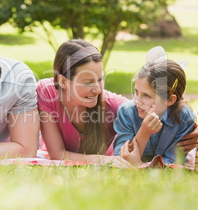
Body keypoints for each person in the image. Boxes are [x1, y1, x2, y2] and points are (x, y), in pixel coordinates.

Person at [37, 39, 133, 167]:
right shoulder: (47, 92)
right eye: (88, 82)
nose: (98, 90)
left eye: (100, 79)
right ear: (63, 82)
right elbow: (58, 155)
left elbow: (143, 113)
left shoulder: (112, 104)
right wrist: (101, 160)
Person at [113, 59, 195, 166]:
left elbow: (173, 163)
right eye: (136, 92)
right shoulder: (126, 113)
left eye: (147, 95)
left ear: (170, 100)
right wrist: (144, 131)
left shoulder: (183, 118)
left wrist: (141, 165)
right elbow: (121, 158)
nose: (137, 100)